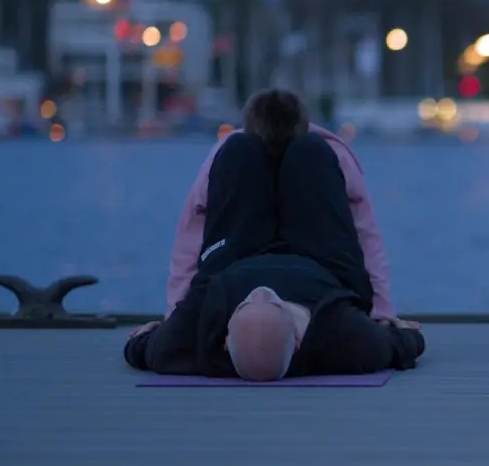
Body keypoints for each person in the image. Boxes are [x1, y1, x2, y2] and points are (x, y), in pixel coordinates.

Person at [125, 127, 425, 380]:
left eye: (244, 303)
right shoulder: (346, 339)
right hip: (322, 261)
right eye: (275, 302)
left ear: (226, 341)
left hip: (234, 258)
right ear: (298, 341)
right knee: (310, 152)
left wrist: (147, 336)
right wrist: (395, 325)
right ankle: (294, 132)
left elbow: (141, 350)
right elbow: (401, 345)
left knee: (239, 150)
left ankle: (260, 131)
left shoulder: (186, 341)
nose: (260, 290)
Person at [165, 89, 410, 326]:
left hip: (238, 268)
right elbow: (366, 237)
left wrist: (178, 314)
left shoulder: (226, 156)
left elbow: (190, 239)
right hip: (323, 273)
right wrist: (380, 313)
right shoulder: (332, 155)